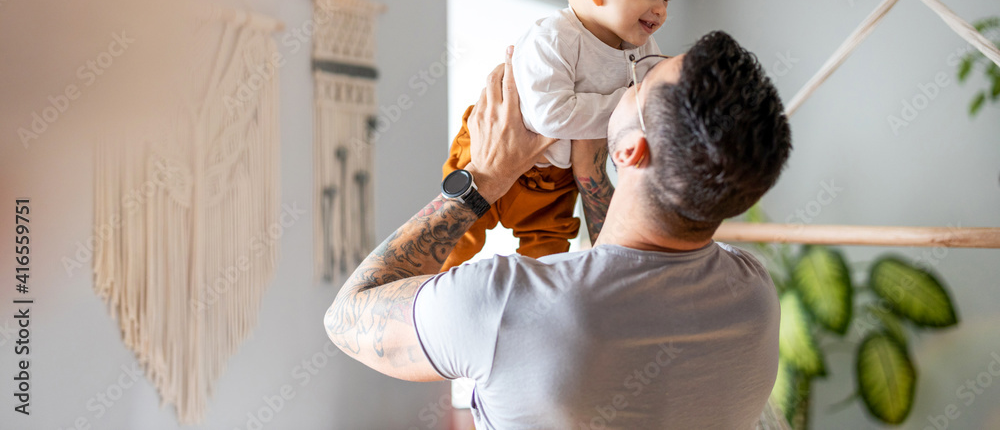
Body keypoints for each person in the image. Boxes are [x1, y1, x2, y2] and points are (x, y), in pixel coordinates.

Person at [325, 30, 793, 429]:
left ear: (631, 152)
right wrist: (589, 171)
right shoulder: (753, 295)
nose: (630, 79)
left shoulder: (505, 303)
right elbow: (629, 260)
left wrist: (484, 178)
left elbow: (347, 316)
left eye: (643, 79)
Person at [441, 0, 697, 271]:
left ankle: (534, 316)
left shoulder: (642, 47)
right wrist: (628, 101)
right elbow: (553, 116)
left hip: (554, 177)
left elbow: (653, 103)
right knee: (458, 240)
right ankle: (418, 298)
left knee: (551, 255)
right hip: (489, 148)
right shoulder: (555, 37)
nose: (661, 9)